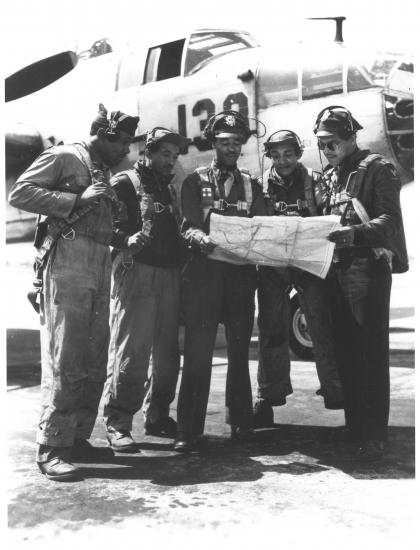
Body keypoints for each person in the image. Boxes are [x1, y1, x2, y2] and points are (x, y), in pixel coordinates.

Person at [8, 104, 139, 481]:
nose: (126, 152)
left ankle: (77, 436)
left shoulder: (102, 169)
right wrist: (73, 201)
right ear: (105, 134)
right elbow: (20, 192)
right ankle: (51, 446)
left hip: (98, 262)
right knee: (66, 357)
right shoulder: (65, 156)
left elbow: (101, 223)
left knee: (94, 356)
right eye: (124, 143)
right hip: (67, 261)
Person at [313, 105, 408, 460]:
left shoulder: (377, 169)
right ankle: (356, 427)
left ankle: (374, 434)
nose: (328, 149)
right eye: (323, 144)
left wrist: (353, 235)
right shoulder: (334, 174)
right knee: (346, 351)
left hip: (366, 269)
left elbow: (389, 220)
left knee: (369, 352)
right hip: (335, 271)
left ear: (352, 137)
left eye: (334, 142)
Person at [174, 111, 264, 452]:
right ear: (214, 144)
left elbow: (261, 224)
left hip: (241, 277)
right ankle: (189, 429)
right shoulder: (194, 182)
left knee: (241, 352)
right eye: (224, 143)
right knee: (198, 353)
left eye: (236, 143)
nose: (231, 149)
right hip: (205, 276)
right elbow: (187, 224)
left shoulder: (251, 184)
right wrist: (199, 238)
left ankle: (241, 422)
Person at [103, 127, 189, 452]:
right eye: (164, 154)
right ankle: (119, 423)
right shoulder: (125, 183)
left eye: (174, 156)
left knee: (167, 354)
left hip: (169, 276)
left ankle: (157, 416)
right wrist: (126, 240)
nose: (170, 161)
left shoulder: (168, 188)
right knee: (131, 350)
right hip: (136, 273)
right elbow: (105, 225)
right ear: (147, 153)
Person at [254, 130, 344, 429]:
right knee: (271, 329)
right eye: (276, 155)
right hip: (273, 265)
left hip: (308, 263)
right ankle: (267, 397)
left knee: (322, 325)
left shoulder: (317, 182)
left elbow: (330, 215)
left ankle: (336, 392)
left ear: (298, 153)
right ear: (269, 156)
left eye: (289, 154)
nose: (283, 161)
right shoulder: (258, 186)